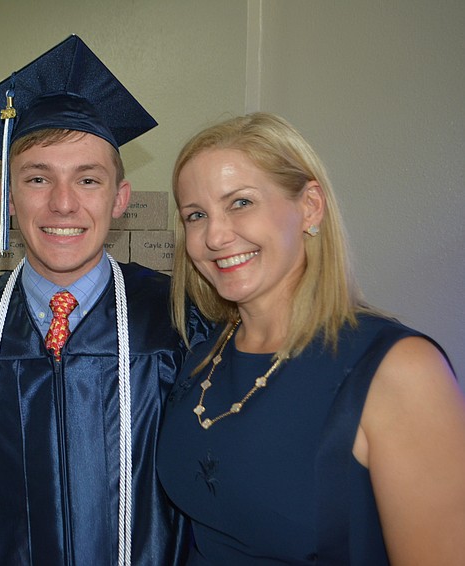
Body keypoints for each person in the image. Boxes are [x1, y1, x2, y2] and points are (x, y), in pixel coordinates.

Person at [0, 35, 209, 565]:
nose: (62, 204)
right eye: (38, 179)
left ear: (119, 199)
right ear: (9, 199)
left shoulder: (175, 312)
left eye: (88, 180)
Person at [156, 112, 465, 564]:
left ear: (310, 206)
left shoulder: (396, 370)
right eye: (196, 215)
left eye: (241, 202)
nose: (215, 235)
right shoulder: (203, 358)